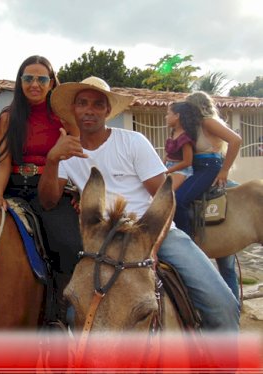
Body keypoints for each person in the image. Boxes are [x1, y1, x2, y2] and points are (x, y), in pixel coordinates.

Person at [38, 76, 239, 331]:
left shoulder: (132, 142)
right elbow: (48, 201)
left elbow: (164, 199)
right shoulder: (67, 152)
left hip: (150, 232)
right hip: (101, 241)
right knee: (73, 314)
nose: (90, 109)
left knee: (223, 305)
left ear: (107, 111)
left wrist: (152, 245)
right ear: (74, 110)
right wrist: (53, 159)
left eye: (98, 104)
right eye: (83, 103)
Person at [0, 55, 82, 323]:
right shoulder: (8, 117)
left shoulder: (64, 115)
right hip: (16, 187)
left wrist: (80, 191)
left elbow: (76, 155)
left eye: (42, 79)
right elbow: (3, 159)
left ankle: (63, 315)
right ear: (20, 82)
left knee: (69, 244)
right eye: (28, 78)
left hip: (53, 186)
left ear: (52, 83)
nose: (35, 84)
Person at [175, 91, 242, 300]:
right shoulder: (193, 127)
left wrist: (224, 170)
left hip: (209, 167)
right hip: (198, 168)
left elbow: (236, 140)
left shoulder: (207, 121)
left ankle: (185, 244)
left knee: (178, 200)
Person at [164, 102, 198, 191]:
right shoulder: (173, 134)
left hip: (181, 170)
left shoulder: (185, 138)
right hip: (169, 168)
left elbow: (187, 162)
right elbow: (168, 155)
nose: (166, 117)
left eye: (168, 114)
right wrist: (161, 167)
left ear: (177, 116)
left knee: (167, 194)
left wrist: (168, 171)